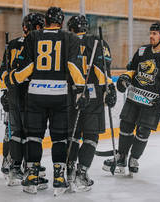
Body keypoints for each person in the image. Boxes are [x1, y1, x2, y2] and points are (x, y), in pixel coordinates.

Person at [4, 7, 86, 196]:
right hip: (60, 96)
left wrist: (13, 79)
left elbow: (28, 68)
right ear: (62, 21)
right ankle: (59, 177)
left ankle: (32, 175)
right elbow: (73, 67)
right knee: (59, 137)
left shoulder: (33, 37)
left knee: (34, 136)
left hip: (35, 95)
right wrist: (81, 90)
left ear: (46, 21)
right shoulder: (69, 38)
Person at [102, 22, 160, 175]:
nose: (151, 36)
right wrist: (125, 79)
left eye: (155, 34)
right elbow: (132, 69)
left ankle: (134, 158)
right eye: (151, 33)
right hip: (134, 98)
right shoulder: (142, 50)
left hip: (151, 103)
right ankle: (122, 157)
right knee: (125, 127)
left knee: (143, 131)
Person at [66, 15, 117, 192]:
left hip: (71, 94)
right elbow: (102, 69)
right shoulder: (97, 42)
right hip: (93, 95)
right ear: (86, 27)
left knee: (72, 135)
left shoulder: (66, 41)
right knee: (90, 136)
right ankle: (81, 174)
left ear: (70, 28)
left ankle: (69, 171)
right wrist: (110, 89)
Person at [0, 13, 46, 186]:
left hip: (13, 93)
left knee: (15, 132)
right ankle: (28, 168)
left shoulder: (12, 44)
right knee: (29, 133)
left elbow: (3, 70)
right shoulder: (37, 44)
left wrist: (5, 91)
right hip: (28, 93)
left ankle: (14, 167)